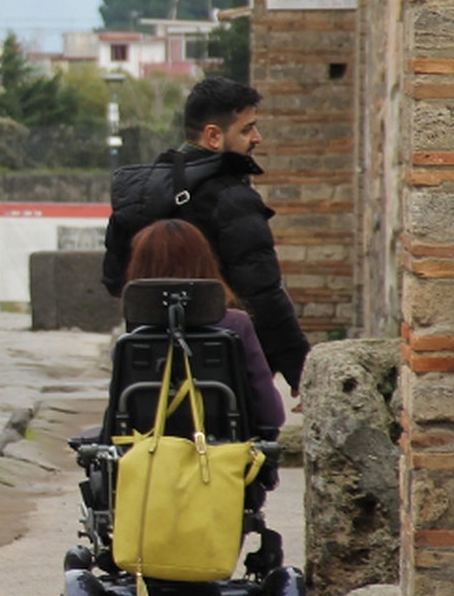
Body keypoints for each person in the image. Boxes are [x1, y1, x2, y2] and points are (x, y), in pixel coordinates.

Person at [102, 77, 310, 392]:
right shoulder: (231, 197)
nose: (258, 137)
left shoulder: (140, 193)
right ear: (213, 136)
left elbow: (115, 281)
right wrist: (300, 373)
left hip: (147, 371)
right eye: (246, 129)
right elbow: (264, 294)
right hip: (223, 372)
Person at [125, 219, 285, 432]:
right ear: (205, 262)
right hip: (222, 452)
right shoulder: (235, 325)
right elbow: (272, 415)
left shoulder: (134, 338)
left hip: (149, 456)